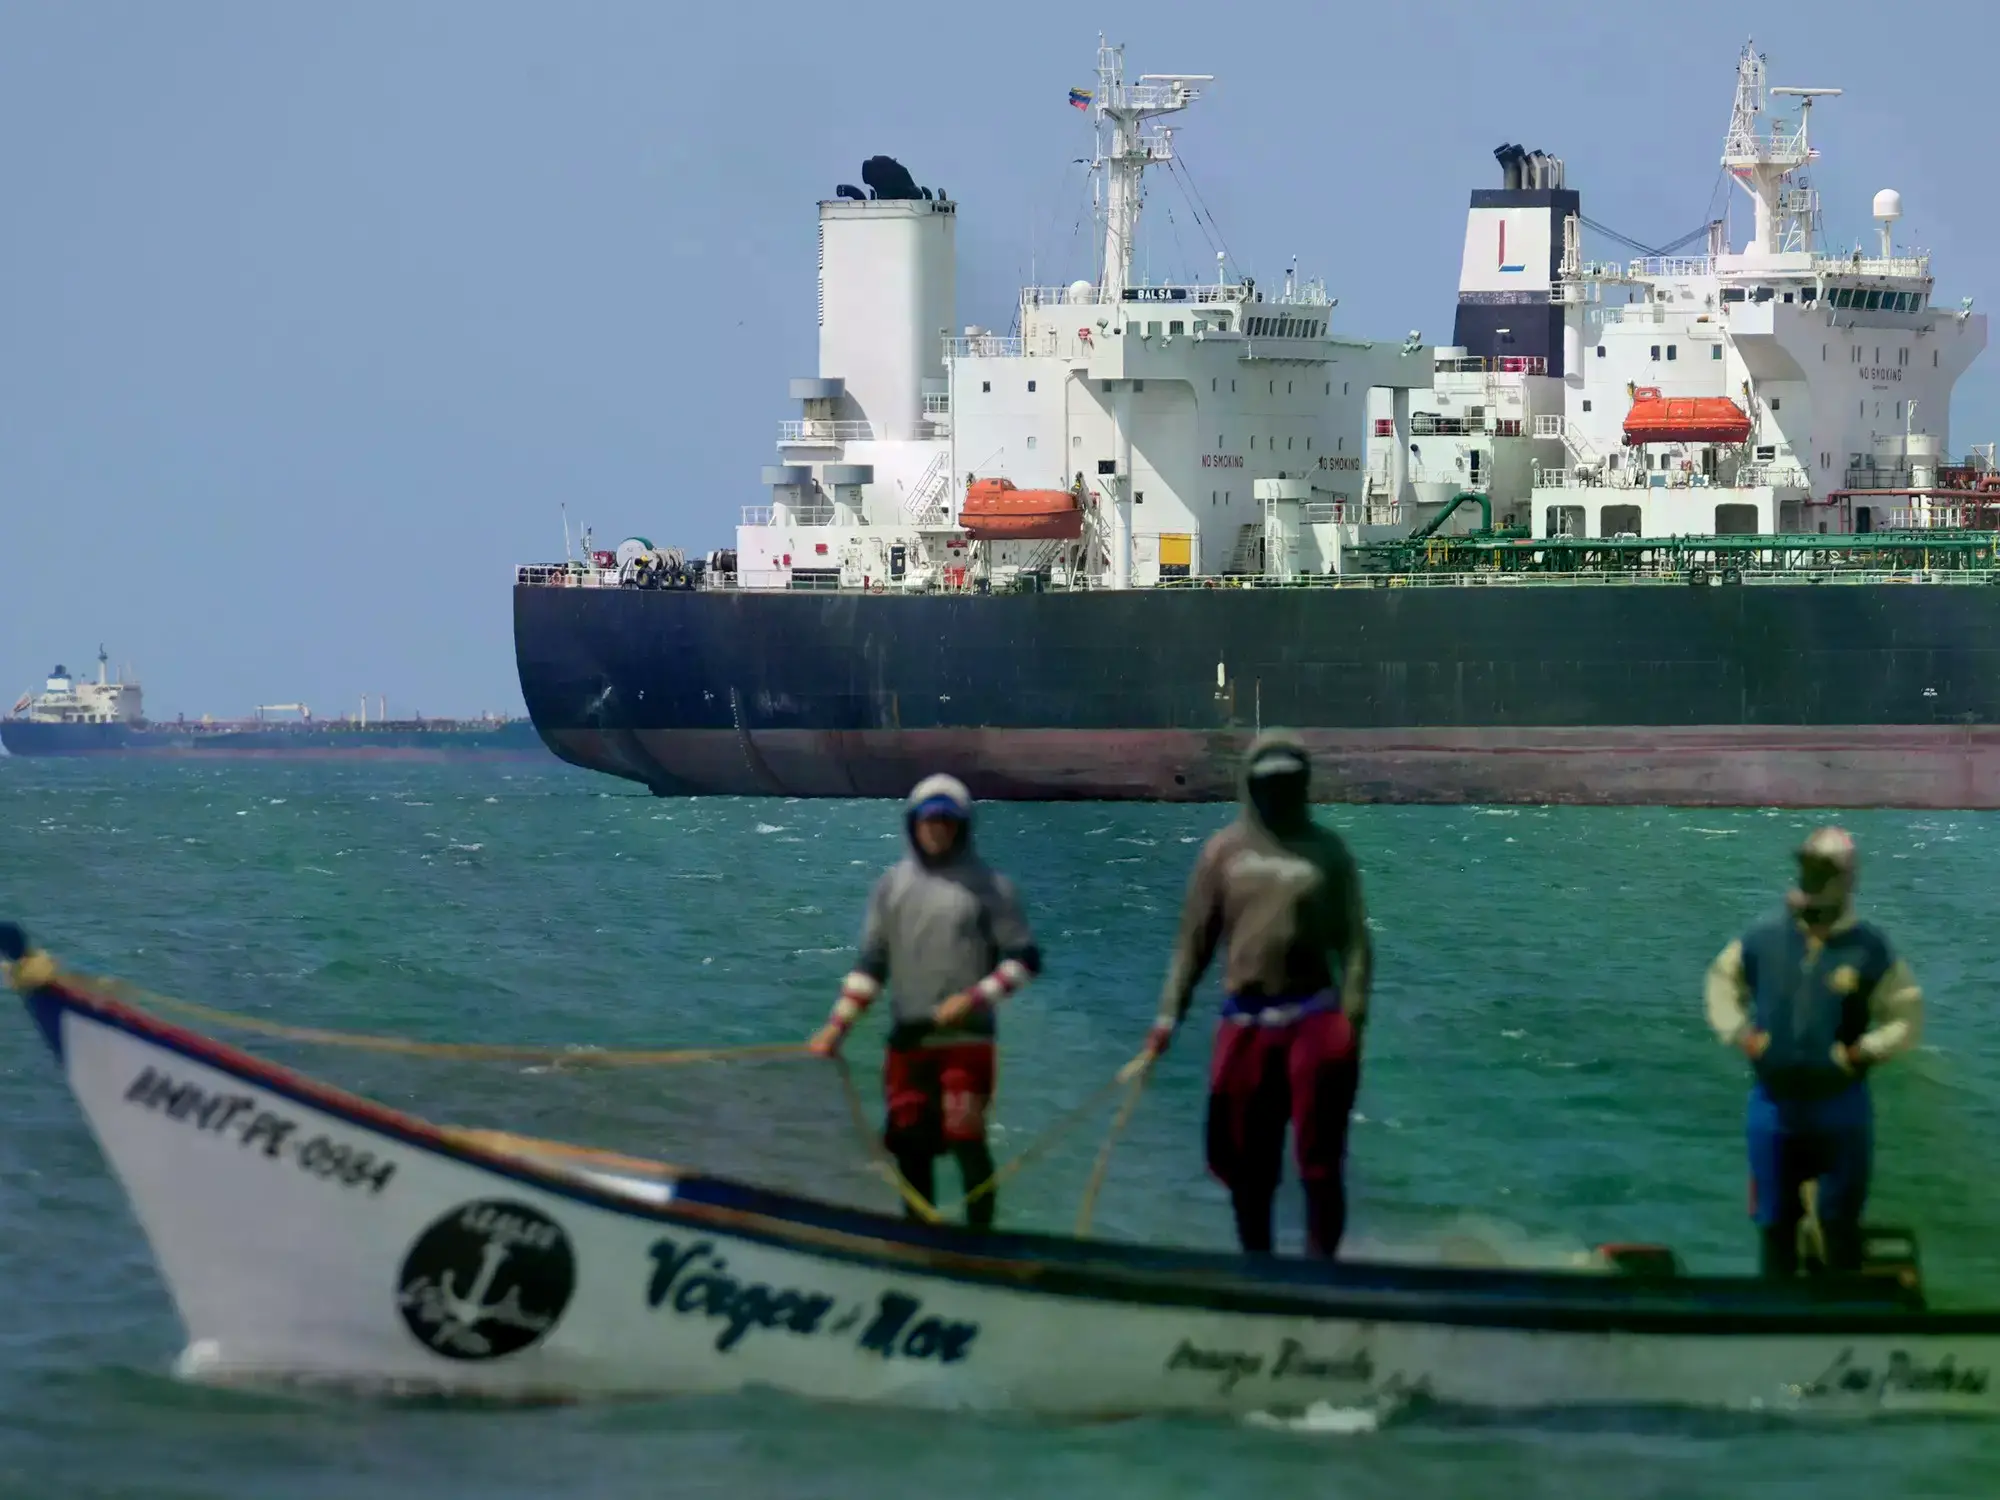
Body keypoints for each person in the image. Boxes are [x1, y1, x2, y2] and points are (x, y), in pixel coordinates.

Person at [1132, 731, 1373, 1258]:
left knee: (1320, 1161)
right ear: (1249, 785)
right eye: (1266, 783)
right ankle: (1256, 1265)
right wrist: (1167, 1017)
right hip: (1246, 1021)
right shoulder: (1222, 853)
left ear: (1303, 783)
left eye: (1288, 782)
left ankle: (1320, 1272)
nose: (1276, 792)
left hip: (1315, 1019)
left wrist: (1352, 1021)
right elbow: (1191, 946)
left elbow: (1355, 944)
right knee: (1243, 1162)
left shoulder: (1329, 853)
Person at [808, 774, 1040, 1229]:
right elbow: (871, 966)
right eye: (929, 820)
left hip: (967, 1041)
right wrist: (837, 1028)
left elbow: (1024, 960)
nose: (937, 829)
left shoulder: (992, 888)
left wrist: (975, 997)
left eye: (947, 821)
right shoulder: (891, 887)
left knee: (965, 1137)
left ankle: (979, 1242)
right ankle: (918, 1239)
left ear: (963, 826)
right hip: (909, 1042)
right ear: (913, 823)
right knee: (909, 1144)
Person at [1705, 826, 1923, 1278]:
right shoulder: (1763, 938)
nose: (1810, 876)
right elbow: (1721, 983)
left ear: (1847, 879)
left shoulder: (1870, 949)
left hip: (1839, 1108)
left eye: (1822, 870)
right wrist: (1742, 1034)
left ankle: (1842, 1309)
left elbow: (1906, 1015)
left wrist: (1862, 1052)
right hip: (1773, 1107)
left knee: (1839, 1221)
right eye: (1806, 866)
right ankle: (1776, 1310)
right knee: (1774, 1224)